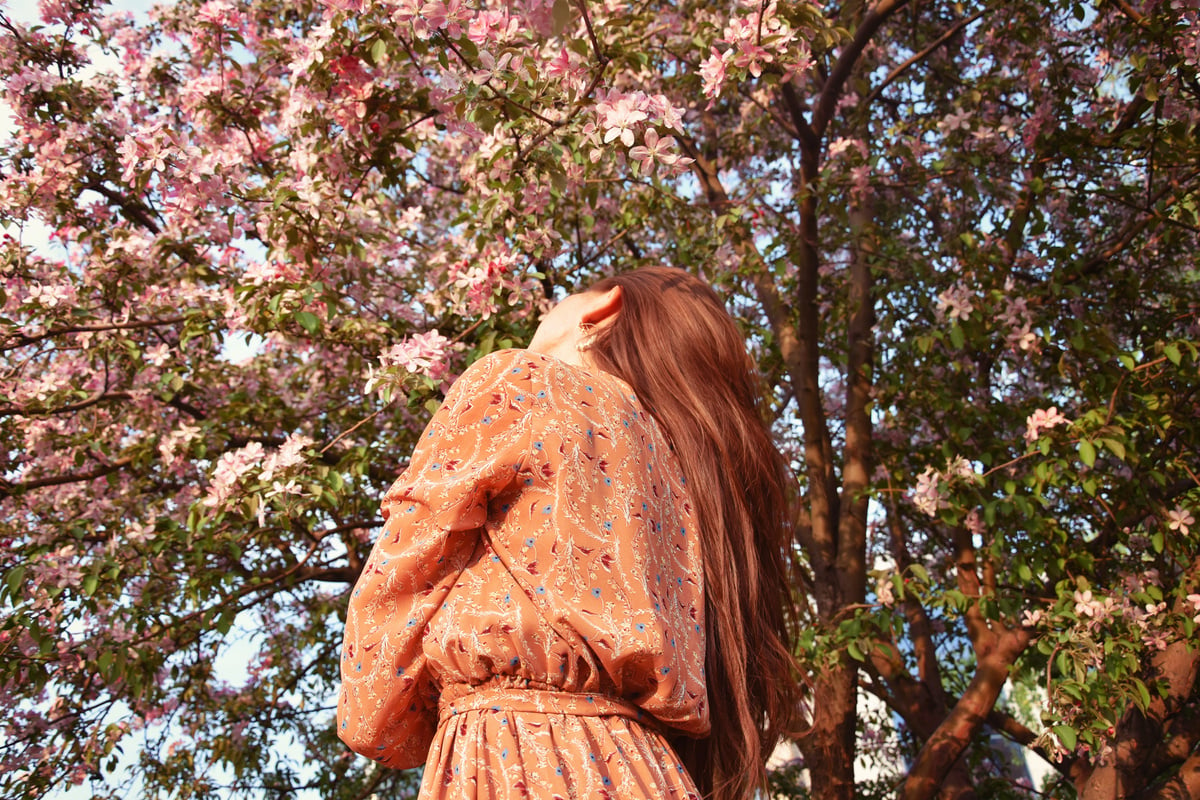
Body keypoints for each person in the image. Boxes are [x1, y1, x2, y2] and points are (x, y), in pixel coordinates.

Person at [338, 267, 803, 800]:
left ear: (601, 309)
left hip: (514, 753)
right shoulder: (681, 473)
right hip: (645, 769)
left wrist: (380, 721)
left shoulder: (518, 380)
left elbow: (405, 568)